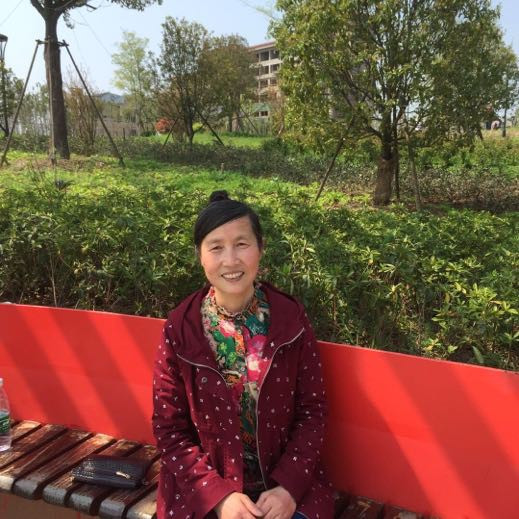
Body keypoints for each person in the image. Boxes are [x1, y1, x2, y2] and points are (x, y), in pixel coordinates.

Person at [152, 191, 334, 519]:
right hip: (205, 492)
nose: (230, 260)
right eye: (216, 247)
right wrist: (218, 496)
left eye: (241, 244)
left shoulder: (290, 319)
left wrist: (289, 488)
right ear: (199, 255)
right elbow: (170, 429)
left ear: (261, 248)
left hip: (285, 490)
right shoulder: (180, 328)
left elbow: (313, 411)